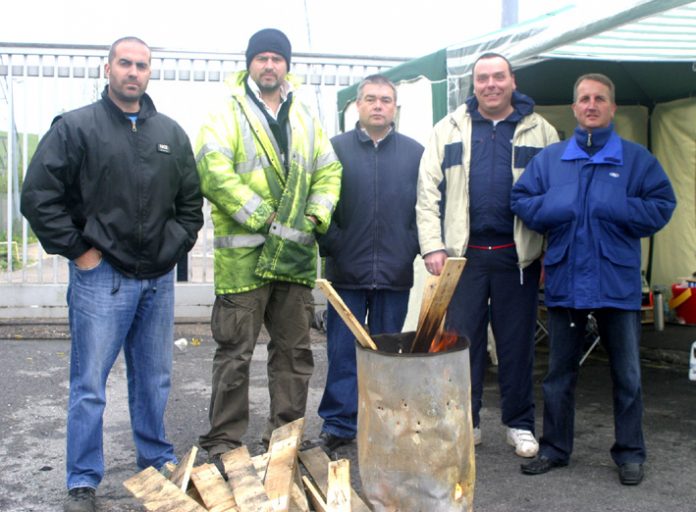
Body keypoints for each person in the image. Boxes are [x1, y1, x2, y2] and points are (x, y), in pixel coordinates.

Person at [20, 37, 204, 512]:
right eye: (125, 63)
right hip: (102, 278)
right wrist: (81, 252)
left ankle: (155, 461)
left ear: (149, 73)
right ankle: (82, 480)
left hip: (157, 280)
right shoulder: (77, 128)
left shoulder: (170, 134)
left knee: (154, 379)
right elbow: (39, 196)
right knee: (89, 385)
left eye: (142, 65)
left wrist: (172, 249)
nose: (133, 72)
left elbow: (189, 205)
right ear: (107, 69)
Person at [512, 73, 676, 485]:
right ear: (574, 107)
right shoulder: (551, 160)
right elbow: (521, 198)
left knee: (627, 374)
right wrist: (556, 205)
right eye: (584, 98)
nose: (591, 105)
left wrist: (616, 206)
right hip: (568, 279)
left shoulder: (636, 160)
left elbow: (662, 203)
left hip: (616, 283)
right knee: (558, 374)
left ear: (611, 107)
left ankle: (630, 453)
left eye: (599, 98)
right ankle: (555, 448)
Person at [195, 28, 342, 464]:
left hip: (294, 259)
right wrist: (263, 216)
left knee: (294, 354)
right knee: (234, 355)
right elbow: (213, 169)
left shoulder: (304, 118)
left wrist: (316, 215)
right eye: (261, 58)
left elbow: (329, 171)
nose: (269, 65)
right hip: (246, 259)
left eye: (277, 58)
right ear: (249, 64)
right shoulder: (226, 113)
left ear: (287, 66)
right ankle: (224, 441)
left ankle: (286, 438)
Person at [416, 52, 558, 457]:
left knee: (517, 345)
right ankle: (466, 421)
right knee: (462, 344)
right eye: (483, 78)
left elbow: (555, 194)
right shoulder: (448, 129)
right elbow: (427, 193)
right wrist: (433, 246)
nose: (491, 85)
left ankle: (519, 424)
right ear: (473, 84)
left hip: (519, 256)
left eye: (499, 77)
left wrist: (547, 251)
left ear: (513, 81)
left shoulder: (540, 131)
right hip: (464, 257)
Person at [316, 75, 424, 451]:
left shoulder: (415, 153)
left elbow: (424, 209)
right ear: (357, 106)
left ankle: (384, 423)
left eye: (386, 100)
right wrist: (333, 243)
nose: (378, 106)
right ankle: (339, 423)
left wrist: (410, 245)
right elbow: (319, 203)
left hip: (394, 272)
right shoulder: (334, 150)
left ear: (395, 108)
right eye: (371, 99)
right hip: (346, 271)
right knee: (343, 351)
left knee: (387, 353)